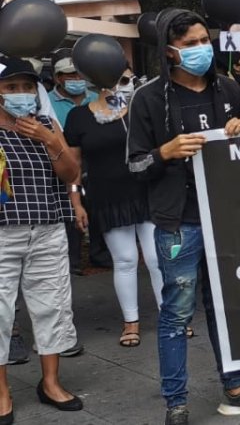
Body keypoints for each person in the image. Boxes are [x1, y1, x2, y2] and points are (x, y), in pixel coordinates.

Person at [127, 9, 240, 425]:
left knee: (227, 307)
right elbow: (134, 166)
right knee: (177, 313)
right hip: (178, 223)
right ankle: (175, 402)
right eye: (190, 44)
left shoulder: (230, 89)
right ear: (170, 51)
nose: (201, 49)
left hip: (225, 216)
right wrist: (165, 152)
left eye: (204, 40)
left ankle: (235, 389)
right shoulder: (147, 98)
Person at [0, 56, 86, 421]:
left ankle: (50, 382)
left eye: (26, 87)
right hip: (4, 232)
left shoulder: (46, 123)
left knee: (52, 304)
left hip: (48, 228)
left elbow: (71, 172)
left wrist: (51, 141)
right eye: (10, 88)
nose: (21, 94)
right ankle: (1, 391)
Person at [64, 66, 162, 347]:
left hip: (146, 192)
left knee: (157, 257)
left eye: (130, 79)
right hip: (107, 198)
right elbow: (74, 166)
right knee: (126, 260)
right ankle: (130, 321)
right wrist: (76, 202)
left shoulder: (140, 111)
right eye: (120, 80)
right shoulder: (79, 116)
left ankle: (172, 316)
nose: (126, 85)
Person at [49, 58, 110, 273]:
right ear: (58, 78)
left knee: (98, 210)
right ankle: (72, 262)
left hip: (95, 163)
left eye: (79, 75)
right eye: (70, 75)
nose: (76, 79)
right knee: (72, 212)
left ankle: (100, 255)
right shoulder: (48, 102)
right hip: (63, 164)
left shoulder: (97, 98)